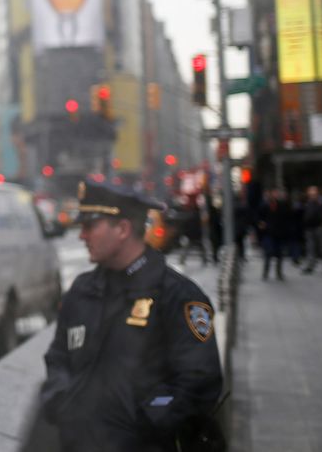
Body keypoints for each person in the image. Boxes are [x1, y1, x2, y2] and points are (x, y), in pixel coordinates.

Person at [42, 181, 223, 451]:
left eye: (90, 226)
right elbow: (58, 359)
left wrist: (143, 419)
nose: (82, 236)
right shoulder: (82, 291)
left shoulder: (178, 295)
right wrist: (62, 400)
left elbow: (200, 381)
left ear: (123, 229)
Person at [301, 185, 322, 274]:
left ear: (317, 193)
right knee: (310, 248)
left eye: (313, 193)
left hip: (319, 227)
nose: (311, 195)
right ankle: (310, 266)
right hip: (309, 228)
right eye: (310, 193)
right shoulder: (308, 202)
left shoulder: (321, 202)